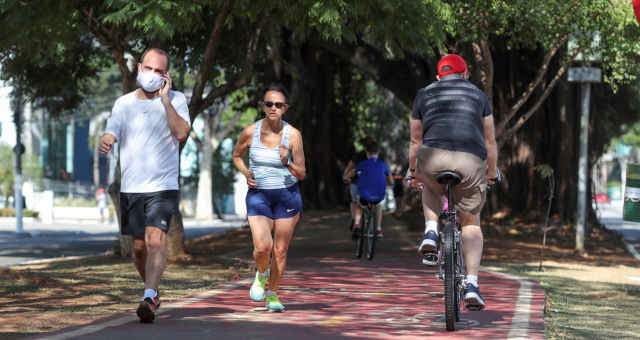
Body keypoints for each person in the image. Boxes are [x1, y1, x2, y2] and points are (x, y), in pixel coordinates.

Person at [99, 47, 191, 323]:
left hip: (162, 185)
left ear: (166, 76)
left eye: (159, 71)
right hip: (131, 186)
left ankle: (148, 296)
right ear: (139, 67)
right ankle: (153, 291)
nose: (153, 74)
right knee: (138, 249)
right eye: (149, 68)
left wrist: (165, 101)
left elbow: (182, 132)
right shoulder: (123, 103)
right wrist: (106, 140)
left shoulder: (176, 99)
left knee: (155, 239)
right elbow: (111, 131)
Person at [409, 54, 498, 311]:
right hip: (470, 161)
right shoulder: (479, 96)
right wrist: (491, 172)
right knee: (471, 222)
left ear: (438, 77)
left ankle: (430, 231)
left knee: (428, 184)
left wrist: (415, 172)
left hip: (432, 157)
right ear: (466, 73)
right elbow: (490, 141)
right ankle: (471, 283)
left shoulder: (423, 94)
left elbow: (415, 141)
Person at [232, 84, 306, 312]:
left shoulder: (293, 135)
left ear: (285, 108)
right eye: (269, 104)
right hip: (259, 196)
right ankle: (262, 273)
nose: (273, 108)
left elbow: (302, 173)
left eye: (278, 104)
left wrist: (288, 162)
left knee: (280, 251)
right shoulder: (250, 131)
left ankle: (272, 294)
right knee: (263, 247)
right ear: (263, 106)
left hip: (287, 197)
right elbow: (236, 156)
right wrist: (246, 173)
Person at [350, 141, 393, 238]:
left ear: (367, 153)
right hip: (379, 196)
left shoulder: (363, 164)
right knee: (378, 206)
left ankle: (356, 225)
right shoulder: (383, 165)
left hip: (365, 195)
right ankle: (378, 229)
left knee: (359, 205)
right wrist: (389, 183)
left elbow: (351, 174)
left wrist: (346, 178)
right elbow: (390, 180)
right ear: (378, 152)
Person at [342, 137, 373, 232]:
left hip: (356, 183)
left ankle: (355, 221)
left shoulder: (358, 155)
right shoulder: (378, 156)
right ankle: (373, 222)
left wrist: (345, 176)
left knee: (355, 202)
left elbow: (350, 166)